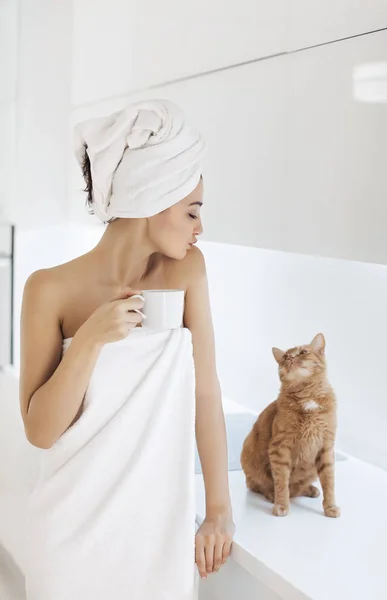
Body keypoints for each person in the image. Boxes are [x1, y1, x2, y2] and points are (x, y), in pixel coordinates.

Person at [19, 99, 235, 597]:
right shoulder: (48, 289)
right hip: (69, 540)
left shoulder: (187, 271)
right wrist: (90, 339)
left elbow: (205, 393)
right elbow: (40, 431)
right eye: (192, 211)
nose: (199, 228)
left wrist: (218, 509)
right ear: (153, 199)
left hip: (157, 537)